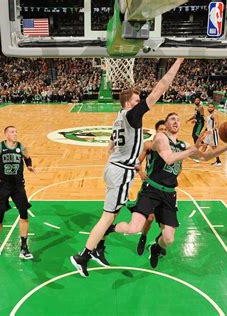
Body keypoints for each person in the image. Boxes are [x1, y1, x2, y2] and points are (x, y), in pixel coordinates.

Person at [70, 58, 185, 278]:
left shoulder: (119, 118)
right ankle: (82, 256)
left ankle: (98, 248)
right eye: (136, 100)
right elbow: (159, 89)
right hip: (120, 171)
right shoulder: (132, 115)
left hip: (115, 167)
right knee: (107, 216)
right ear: (128, 104)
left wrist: (122, 155)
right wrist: (177, 63)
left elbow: (111, 144)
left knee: (112, 215)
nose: (139, 101)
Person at [105, 112, 227, 269]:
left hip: (169, 193)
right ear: (166, 124)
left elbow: (204, 157)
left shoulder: (183, 145)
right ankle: (111, 228)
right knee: (133, 228)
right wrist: (193, 149)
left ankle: (156, 247)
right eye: (172, 119)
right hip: (152, 189)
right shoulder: (160, 138)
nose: (176, 121)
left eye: (178, 119)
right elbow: (169, 158)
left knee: (168, 240)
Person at [0, 126, 36, 259]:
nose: (15, 134)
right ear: (6, 135)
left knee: (24, 214)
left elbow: (28, 158)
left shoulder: (22, 147)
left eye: (16, 131)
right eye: (12, 132)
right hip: (2, 185)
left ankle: (24, 247)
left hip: (18, 185)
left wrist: (29, 166)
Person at [133, 119, 166, 255]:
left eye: (165, 130)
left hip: (165, 188)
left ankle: (159, 244)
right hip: (151, 184)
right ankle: (143, 237)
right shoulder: (149, 145)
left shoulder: (172, 146)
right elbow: (136, 162)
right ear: (156, 131)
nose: (163, 132)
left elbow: (179, 166)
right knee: (150, 217)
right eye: (161, 130)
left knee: (164, 222)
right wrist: (140, 172)